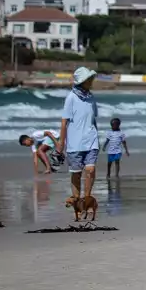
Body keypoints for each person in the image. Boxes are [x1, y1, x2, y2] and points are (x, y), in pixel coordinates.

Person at [57, 67, 99, 208]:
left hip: (91, 140)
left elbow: (93, 120)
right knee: (76, 174)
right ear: (82, 81)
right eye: (89, 79)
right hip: (75, 143)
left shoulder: (91, 97)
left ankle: (86, 199)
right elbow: (64, 122)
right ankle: (76, 200)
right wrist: (61, 143)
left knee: (91, 170)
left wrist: (96, 137)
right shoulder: (71, 98)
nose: (91, 81)